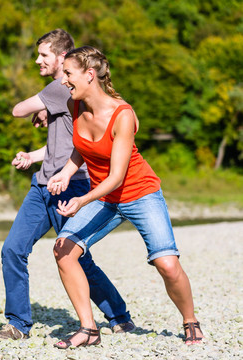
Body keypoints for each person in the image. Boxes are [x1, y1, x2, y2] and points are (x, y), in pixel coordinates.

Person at [47, 45, 203, 349]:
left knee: (167, 265)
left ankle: (190, 320)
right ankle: (89, 329)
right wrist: (67, 172)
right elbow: (84, 145)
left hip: (140, 193)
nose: (63, 79)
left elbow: (117, 177)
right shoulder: (75, 104)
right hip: (106, 198)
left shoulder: (123, 114)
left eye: (68, 73)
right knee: (63, 250)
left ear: (89, 75)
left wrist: (81, 200)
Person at [0, 29, 135, 341]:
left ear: (61, 58)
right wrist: (34, 154)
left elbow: (17, 111)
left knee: (77, 257)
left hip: (71, 186)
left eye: (44, 55)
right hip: (42, 184)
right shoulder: (66, 95)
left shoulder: (60, 89)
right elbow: (65, 143)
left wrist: (42, 105)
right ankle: (18, 324)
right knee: (13, 249)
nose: (37, 60)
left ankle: (119, 316)